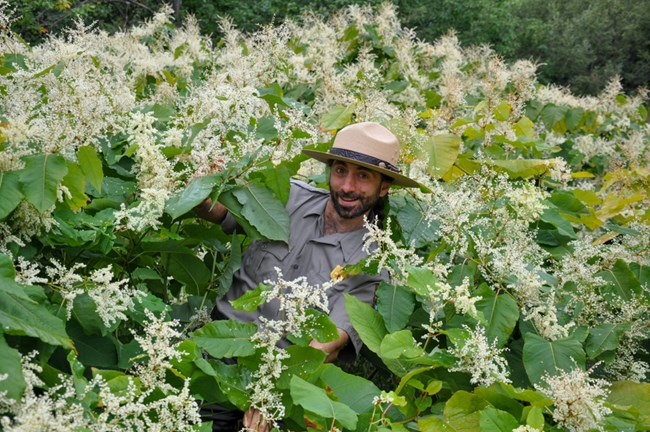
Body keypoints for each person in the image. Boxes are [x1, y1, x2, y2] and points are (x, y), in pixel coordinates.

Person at [194, 121, 420, 431]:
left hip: (281, 382)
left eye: (363, 176)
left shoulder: (371, 265)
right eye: (340, 170)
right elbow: (220, 211)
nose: (347, 187)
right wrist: (200, 189)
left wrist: (269, 394)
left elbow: (327, 346)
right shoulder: (286, 197)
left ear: (384, 187)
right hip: (214, 350)